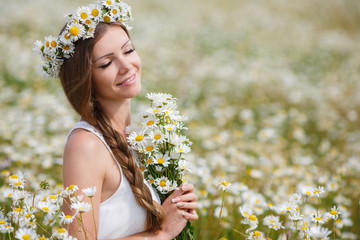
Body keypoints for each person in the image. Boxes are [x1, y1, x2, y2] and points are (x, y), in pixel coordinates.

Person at [35, 1, 198, 239]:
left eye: (129, 50)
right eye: (106, 63)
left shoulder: (143, 138)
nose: (126, 66)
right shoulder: (87, 146)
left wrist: (175, 208)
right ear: (85, 80)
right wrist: (162, 234)